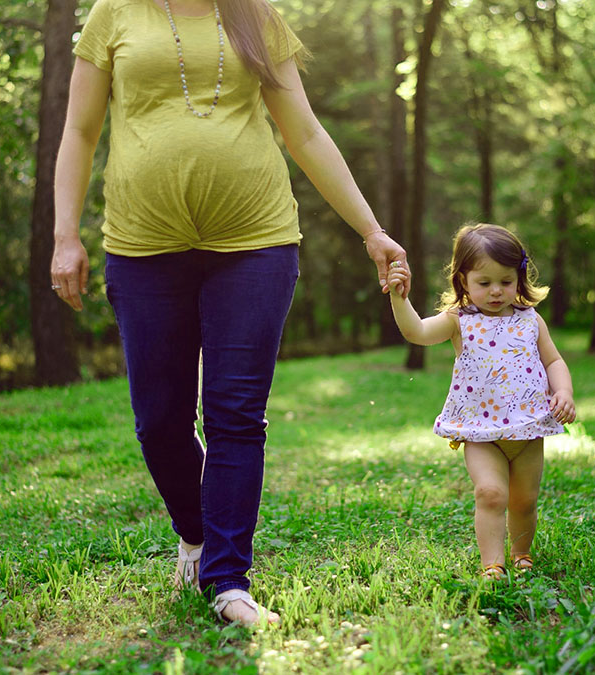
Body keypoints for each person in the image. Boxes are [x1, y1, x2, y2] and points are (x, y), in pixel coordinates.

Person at [50, 0, 408, 626]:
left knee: (236, 412)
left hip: (256, 242)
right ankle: (195, 534)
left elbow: (304, 132)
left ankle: (228, 581)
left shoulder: (256, 17)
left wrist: (371, 230)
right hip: (143, 245)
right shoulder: (116, 12)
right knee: (159, 421)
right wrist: (64, 235)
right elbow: (80, 131)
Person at [385, 223, 575, 579]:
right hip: (480, 431)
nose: (496, 291)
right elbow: (417, 332)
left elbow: (553, 361)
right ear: (463, 281)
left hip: (527, 428)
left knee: (524, 500)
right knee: (490, 493)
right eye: (484, 283)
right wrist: (400, 298)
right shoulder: (459, 320)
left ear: (519, 278)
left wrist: (563, 391)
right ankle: (493, 564)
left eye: (506, 281)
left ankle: (521, 553)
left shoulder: (530, 320)